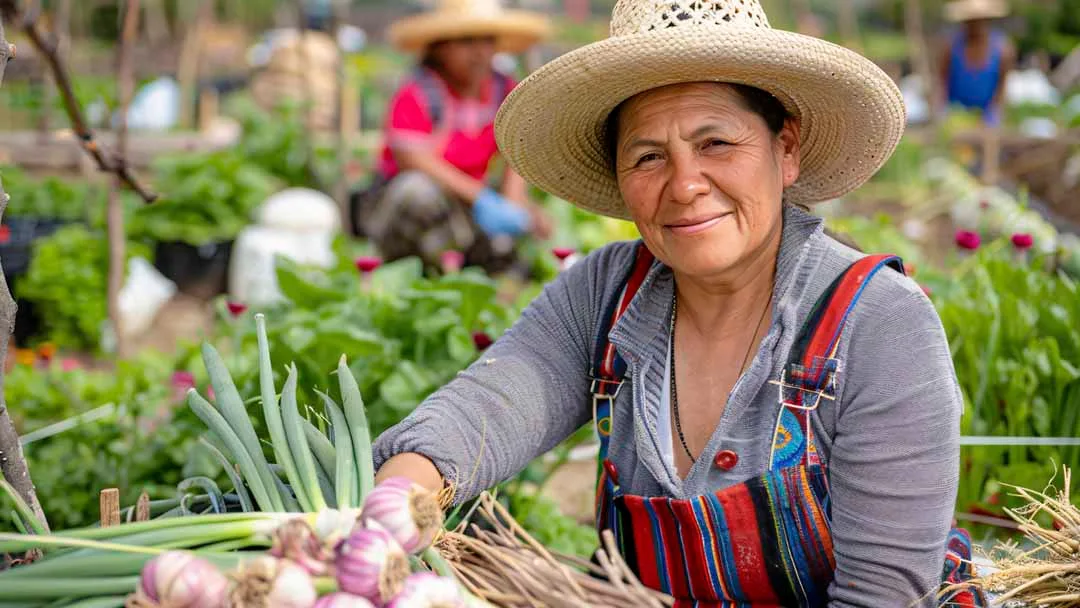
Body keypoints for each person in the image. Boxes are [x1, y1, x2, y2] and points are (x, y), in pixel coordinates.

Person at [373, 0, 984, 605]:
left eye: (716, 142)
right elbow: (489, 407)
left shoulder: (877, 323)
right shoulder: (606, 293)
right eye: (648, 157)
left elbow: (881, 597)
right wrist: (399, 499)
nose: (685, 184)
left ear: (786, 148)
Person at [351, 0, 553, 276]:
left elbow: (514, 148)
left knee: (534, 218)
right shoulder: (419, 93)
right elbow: (413, 159)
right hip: (410, 212)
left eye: (487, 41)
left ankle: (487, 272)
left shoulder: (502, 89)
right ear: (439, 48)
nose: (480, 53)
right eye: (467, 42)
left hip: (465, 206)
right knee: (416, 191)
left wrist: (514, 203)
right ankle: (421, 272)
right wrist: (482, 199)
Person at [936, 0, 1016, 126]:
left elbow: (1002, 88)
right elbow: (941, 82)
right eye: (971, 20)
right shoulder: (951, 46)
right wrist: (941, 112)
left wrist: (994, 115)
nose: (975, 25)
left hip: (986, 115)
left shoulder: (1002, 48)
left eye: (979, 20)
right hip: (956, 113)